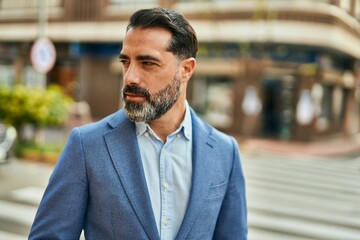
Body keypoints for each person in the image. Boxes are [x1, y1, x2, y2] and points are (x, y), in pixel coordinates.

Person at [29, 7, 247, 240]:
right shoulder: (86, 146)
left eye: (147, 63)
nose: (129, 77)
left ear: (186, 70)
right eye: (126, 61)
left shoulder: (225, 152)